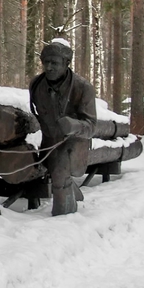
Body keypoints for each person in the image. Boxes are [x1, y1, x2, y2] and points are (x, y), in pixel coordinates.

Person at [29, 39, 97, 216]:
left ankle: (63, 219)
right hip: (48, 142)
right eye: (46, 62)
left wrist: (74, 125)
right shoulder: (36, 85)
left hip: (74, 143)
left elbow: (91, 127)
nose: (49, 67)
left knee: (60, 169)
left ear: (67, 64)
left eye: (55, 63)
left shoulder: (83, 88)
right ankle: (69, 190)